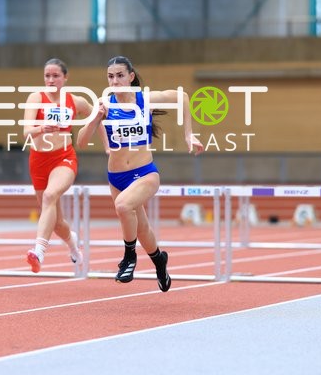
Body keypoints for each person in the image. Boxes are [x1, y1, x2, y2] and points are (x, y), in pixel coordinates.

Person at [78, 56, 203, 292]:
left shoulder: (145, 99)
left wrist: (188, 134)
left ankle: (129, 257)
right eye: (110, 77)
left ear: (131, 77)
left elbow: (183, 97)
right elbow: (81, 142)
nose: (115, 81)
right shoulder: (105, 104)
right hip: (116, 177)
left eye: (120, 76)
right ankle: (159, 261)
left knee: (123, 206)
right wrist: (96, 118)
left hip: (145, 173)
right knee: (142, 229)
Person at [23, 58, 100, 273]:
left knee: (50, 196)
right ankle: (73, 245)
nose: (50, 80)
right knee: (56, 222)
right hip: (38, 160)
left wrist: (107, 145)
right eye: (47, 76)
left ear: (65, 78)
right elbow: (26, 132)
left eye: (55, 76)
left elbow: (98, 115)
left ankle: (38, 251)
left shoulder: (75, 101)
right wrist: (41, 128)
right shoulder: (36, 98)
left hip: (63, 158)